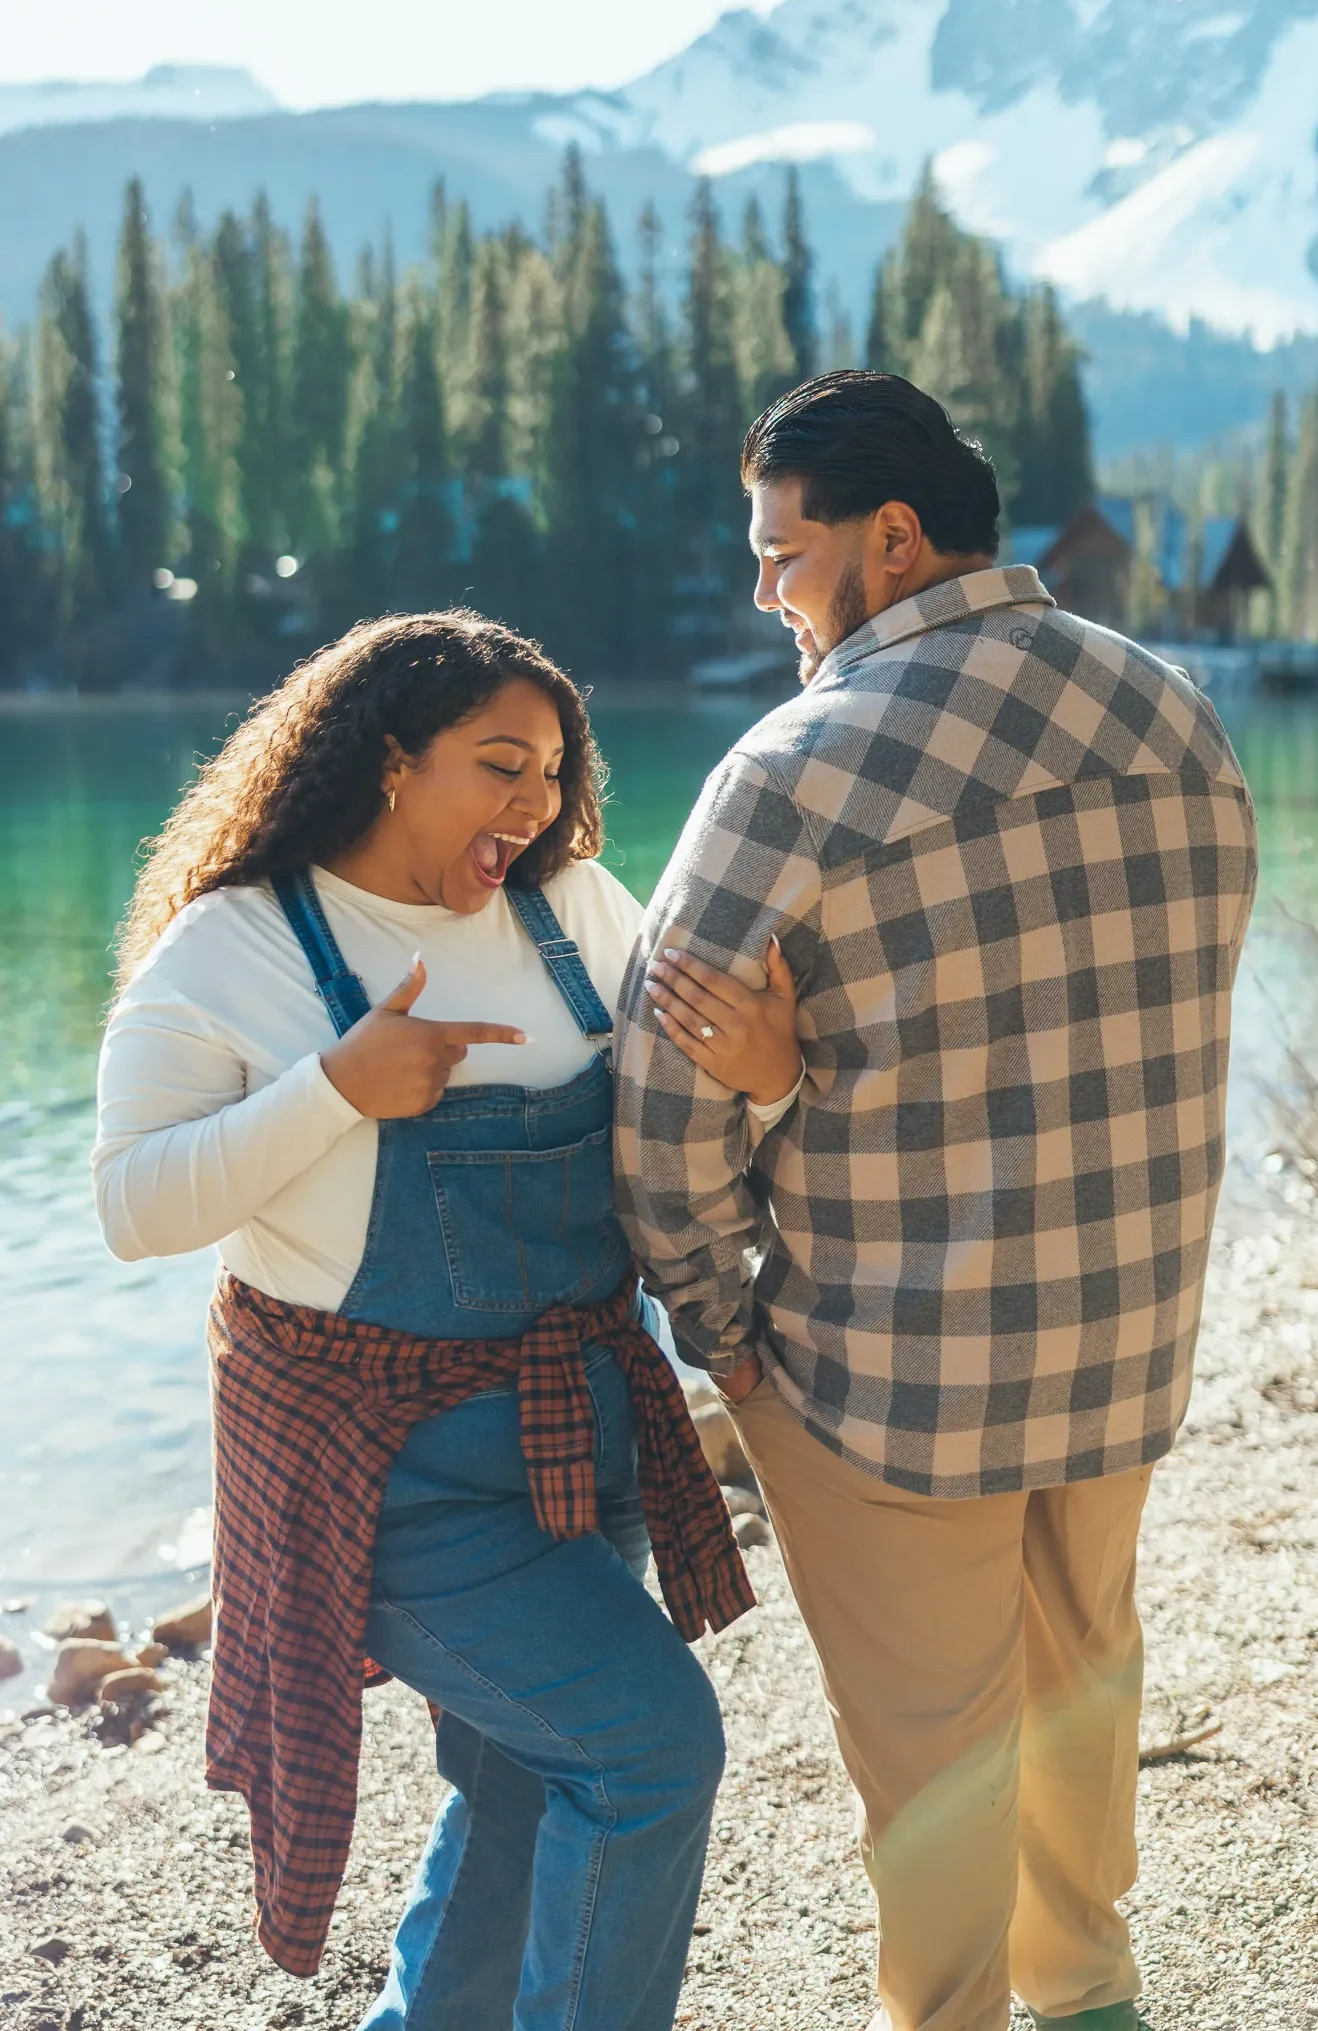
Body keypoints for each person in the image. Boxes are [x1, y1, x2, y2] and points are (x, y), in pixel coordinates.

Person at [617, 371, 1259, 2031]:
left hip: (887, 1366)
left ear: (891, 542)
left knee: (931, 1757)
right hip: (1122, 1338)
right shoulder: (1173, 712)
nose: (765, 589)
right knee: (1077, 1681)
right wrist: (820, 1064)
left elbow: (660, 1090)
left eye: (782, 552)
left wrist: (715, 1322)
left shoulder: (795, 768)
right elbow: (1118, 1022)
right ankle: (1089, 1991)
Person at [92, 610, 804, 2031]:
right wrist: (336, 1088)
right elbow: (131, 1208)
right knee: (652, 1750)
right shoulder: (236, 945)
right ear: (392, 759)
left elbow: (692, 1126)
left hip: (573, 1440)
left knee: (527, 1773)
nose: (535, 805)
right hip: (388, 1480)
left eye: (551, 770)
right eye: (499, 765)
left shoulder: (579, 912)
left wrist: (771, 1070)